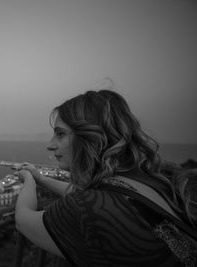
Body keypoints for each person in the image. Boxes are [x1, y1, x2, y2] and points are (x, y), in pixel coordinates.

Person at [15, 90, 197, 266]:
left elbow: (24, 220)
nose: (50, 145)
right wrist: (42, 179)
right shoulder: (146, 181)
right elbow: (85, 193)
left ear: (89, 137)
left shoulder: (87, 207)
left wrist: (28, 180)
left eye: (60, 134)